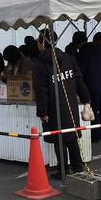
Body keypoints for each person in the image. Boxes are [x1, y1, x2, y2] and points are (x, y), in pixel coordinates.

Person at [33, 29, 91, 180]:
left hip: (53, 107)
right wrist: (86, 99)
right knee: (72, 136)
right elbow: (79, 80)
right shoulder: (69, 58)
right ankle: (77, 167)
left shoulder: (40, 63)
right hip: (70, 103)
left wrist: (42, 111)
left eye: (39, 42)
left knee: (59, 138)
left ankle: (63, 170)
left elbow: (41, 90)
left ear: (42, 43)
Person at [73, 31, 101, 142]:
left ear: (77, 43)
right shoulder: (99, 50)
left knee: (93, 112)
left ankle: (95, 136)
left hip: (92, 86)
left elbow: (81, 72)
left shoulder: (82, 54)